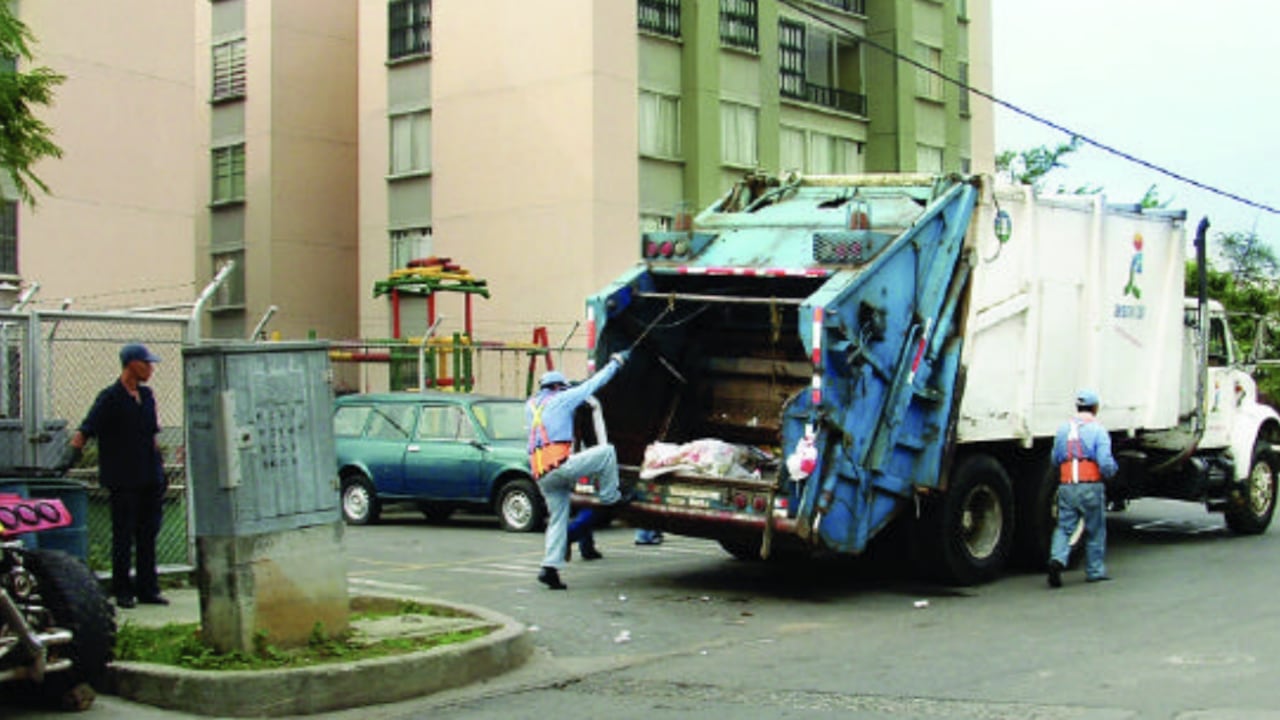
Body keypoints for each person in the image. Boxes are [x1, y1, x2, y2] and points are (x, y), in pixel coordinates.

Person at [70, 343, 169, 608]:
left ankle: (148, 588)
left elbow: (152, 436)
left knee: (148, 534)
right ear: (131, 364)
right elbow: (86, 430)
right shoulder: (110, 397)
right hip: (123, 478)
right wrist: (70, 456)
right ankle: (122, 589)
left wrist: (160, 470)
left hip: (149, 475)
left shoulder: (147, 396)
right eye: (146, 363)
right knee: (123, 534)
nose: (150, 369)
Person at [527, 352, 630, 590]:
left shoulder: (531, 406)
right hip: (560, 465)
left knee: (557, 520)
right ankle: (610, 497)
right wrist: (615, 363)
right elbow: (594, 384)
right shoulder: (562, 399)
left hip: (541, 473)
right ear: (559, 387)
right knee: (607, 452)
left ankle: (549, 569)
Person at [1047, 388, 1119, 588]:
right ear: (1095, 408)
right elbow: (1105, 461)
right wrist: (1112, 472)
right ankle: (1095, 571)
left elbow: (1055, 458)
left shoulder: (1063, 429)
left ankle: (1057, 559)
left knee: (1064, 526)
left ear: (1078, 407)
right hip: (1090, 485)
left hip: (1067, 485)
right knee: (1095, 529)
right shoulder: (1098, 430)